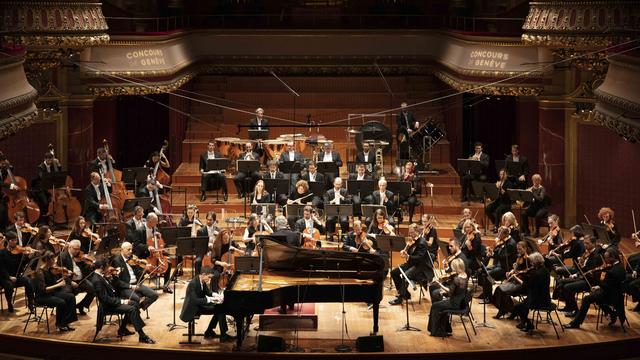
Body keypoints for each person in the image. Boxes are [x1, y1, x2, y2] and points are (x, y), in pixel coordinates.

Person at [92, 257, 155, 343]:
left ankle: (122, 329)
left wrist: (111, 278)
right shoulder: (97, 280)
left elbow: (111, 287)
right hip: (108, 306)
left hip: (113, 301)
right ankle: (142, 336)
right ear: (102, 267)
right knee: (132, 309)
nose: (108, 268)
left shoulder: (101, 276)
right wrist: (122, 301)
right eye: (107, 266)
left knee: (134, 304)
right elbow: (105, 299)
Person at [564, 247, 627, 329]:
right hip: (614, 293)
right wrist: (598, 286)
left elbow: (608, 285)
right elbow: (609, 284)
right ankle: (612, 313)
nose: (605, 260)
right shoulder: (620, 266)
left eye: (606, 258)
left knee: (587, 299)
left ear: (613, 257)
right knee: (593, 295)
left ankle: (576, 323)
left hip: (611, 295)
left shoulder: (613, 271)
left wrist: (598, 286)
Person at [180, 266, 234, 341]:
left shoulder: (202, 280)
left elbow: (208, 292)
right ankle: (221, 335)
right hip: (192, 309)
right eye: (209, 277)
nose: (210, 279)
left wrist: (216, 295)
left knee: (219, 308)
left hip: (199, 305)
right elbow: (194, 301)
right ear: (203, 274)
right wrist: (210, 299)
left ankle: (210, 332)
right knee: (219, 310)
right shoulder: (193, 284)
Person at [554, 235, 603, 316]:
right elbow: (582, 269)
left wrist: (582, 267)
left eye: (587, 243)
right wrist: (576, 274)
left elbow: (591, 272)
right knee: (562, 281)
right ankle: (569, 306)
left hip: (590, 281)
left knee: (567, 287)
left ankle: (575, 310)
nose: (585, 245)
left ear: (594, 244)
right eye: (584, 243)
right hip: (582, 277)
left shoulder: (596, 256)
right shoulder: (587, 253)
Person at [30, 251, 78, 331]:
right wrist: (59, 285)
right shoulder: (40, 272)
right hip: (42, 297)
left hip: (51, 293)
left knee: (71, 297)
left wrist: (63, 279)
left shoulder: (50, 270)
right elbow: (44, 290)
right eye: (52, 259)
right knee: (61, 302)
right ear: (47, 260)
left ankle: (66, 322)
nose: (55, 261)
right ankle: (59, 324)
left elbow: (53, 283)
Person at [110, 242, 159, 310]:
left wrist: (144, 270)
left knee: (154, 295)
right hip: (125, 287)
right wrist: (130, 286)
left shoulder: (132, 259)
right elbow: (117, 281)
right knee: (136, 299)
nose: (131, 251)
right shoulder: (116, 261)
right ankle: (132, 314)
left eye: (131, 249)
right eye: (128, 249)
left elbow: (138, 272)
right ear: (122, 249)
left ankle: (139, 308)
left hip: (137, 284)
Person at [389, 223, 430, 305]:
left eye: (411, 232)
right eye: (409, 232)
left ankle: (400, 298)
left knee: (405, 276)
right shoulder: (413, 241)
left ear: (417, 232)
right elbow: (411, 253)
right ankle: (405, 294)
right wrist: (405, 251)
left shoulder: (422, 243)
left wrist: (408, 256)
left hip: (419, 266)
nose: (409, 234)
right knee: (394, 272)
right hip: (411, 263)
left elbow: (419, 258)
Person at [427, 258, 468, 337]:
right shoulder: (464, 275)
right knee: (438, 305)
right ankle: (444, 328)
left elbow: (449, 291)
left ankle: (435, 331)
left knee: (435, 306)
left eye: (452, 267)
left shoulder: (457, 279)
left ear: (456, 267)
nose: (451, 268)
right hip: (460, 302)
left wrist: (439, 284)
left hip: (454, 303)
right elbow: (455, 290)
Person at [492, 241, 532, 319]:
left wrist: (516, 272)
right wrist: (510, 272)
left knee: (502, 290)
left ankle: (510, 310)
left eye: (520, 249)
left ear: (525, 249)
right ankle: (506, 309)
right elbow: (515, 268)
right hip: (514, 280)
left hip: (521, 283)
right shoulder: (519, 257)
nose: (518, 251)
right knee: (498, 289)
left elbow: (528, 271)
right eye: (517, 249)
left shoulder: (527, 259)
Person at [511, 252, 551, 332]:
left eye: (531, 262)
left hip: (538, 300)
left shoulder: (535, 273)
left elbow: (525, 286)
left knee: (517, 306)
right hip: (546, 297)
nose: (530, 263)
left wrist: (516, 278)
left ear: (535, 262)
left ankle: (529, 324)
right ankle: (523, 323)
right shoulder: (546, 270)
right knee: (523, 304)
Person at [478, 226, 516, 303]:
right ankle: (485, 293)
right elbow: (498, 252)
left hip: (506, 268)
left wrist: (493, 254)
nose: (498, 235)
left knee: (488, 275)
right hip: (500, 265)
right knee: (481, 270)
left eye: (500, 233)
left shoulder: (510, 244)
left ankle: (489, 298)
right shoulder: (503, 241)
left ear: (505, 234)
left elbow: (502, 256)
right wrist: (492, 250)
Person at [0, 232, 35, 313]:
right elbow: (1, 268)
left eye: (16, 240)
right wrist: (9, 277)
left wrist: (28, 258)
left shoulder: (18, 252)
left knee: (28, 281)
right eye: (13, 240)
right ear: (8, 241)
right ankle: (9, 303)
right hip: (4, 278)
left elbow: (22, 264)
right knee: (9, 286)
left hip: (16, 276)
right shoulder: (2, 253)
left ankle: (31, 304)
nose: (16, 242)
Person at [59, 240, 95, 315]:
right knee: (68, 294)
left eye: (78, 249)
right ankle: (68, 312)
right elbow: (61, 273)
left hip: (81, 280)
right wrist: (71, 282)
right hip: (69, 281)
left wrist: (88, 264)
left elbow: (85, 269)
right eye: (75, 249)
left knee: (92, 289)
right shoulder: (63, 256)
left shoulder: (80, 256)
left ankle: (81, 305)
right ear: (69, 247)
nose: (77, 251)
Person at [485, 168, 515, 232]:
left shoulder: (509, 183)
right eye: (501, 174)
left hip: (506, 203)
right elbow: (495, 193)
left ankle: (496, 227)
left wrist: (500, 188)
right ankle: (496, 224)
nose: (502, 176)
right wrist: (491, 196)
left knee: (498, 210)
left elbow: (507, 194)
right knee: (487, 208)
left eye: (503, 174)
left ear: (506, 175)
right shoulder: (498, 182)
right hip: (498, 201)